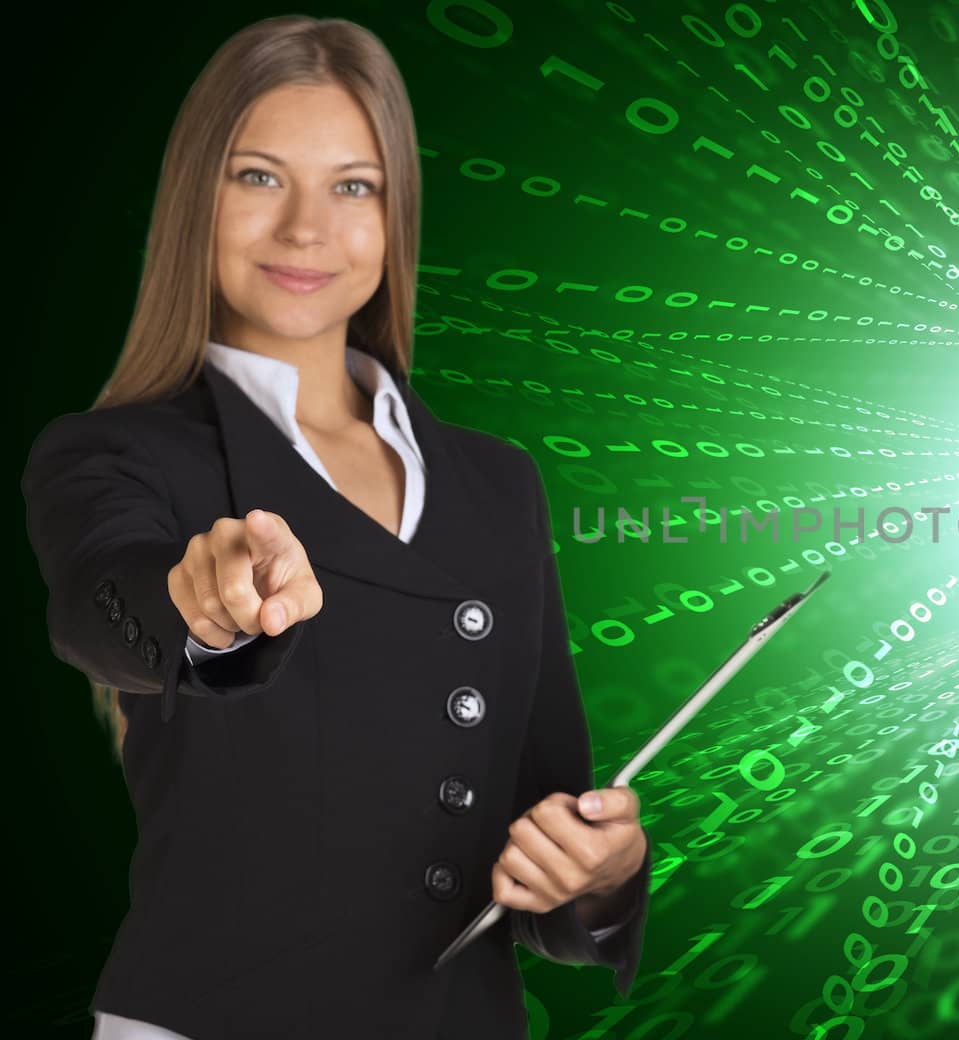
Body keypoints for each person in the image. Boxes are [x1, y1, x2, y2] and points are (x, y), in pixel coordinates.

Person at [19, 15, 651, 1039]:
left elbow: (545, 820)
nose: (307, 229)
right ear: (194, 201)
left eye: (353, 186)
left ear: (396, 214)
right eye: (259, 176)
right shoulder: (119, 453)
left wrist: (601, 871)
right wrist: (201, 608)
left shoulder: (499, 482)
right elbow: (105, 601)